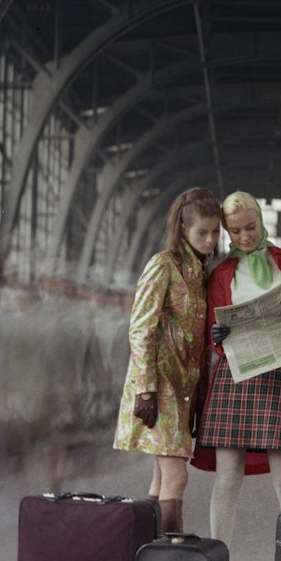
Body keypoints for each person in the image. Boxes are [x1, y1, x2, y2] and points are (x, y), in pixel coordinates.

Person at [194, 192, 281, 549]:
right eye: (236, 231)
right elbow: (212, 325)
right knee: (227, 478)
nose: (245, 237)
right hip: (234, 375)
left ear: (261, 221)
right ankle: (218, 560)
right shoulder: (222, 274)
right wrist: (217, 336)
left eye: (251, 227)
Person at [115, 187, 222, 537]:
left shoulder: (200, 274)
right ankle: (172, 557)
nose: (210, 239)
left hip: (182, 387)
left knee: (163, 476)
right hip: (159, 386)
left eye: (215, 232)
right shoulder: (163, 265)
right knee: (177, 475)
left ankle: (147, 555)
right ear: (182, 231)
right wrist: (145, 390)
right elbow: (140, 327)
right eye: (201, 232)